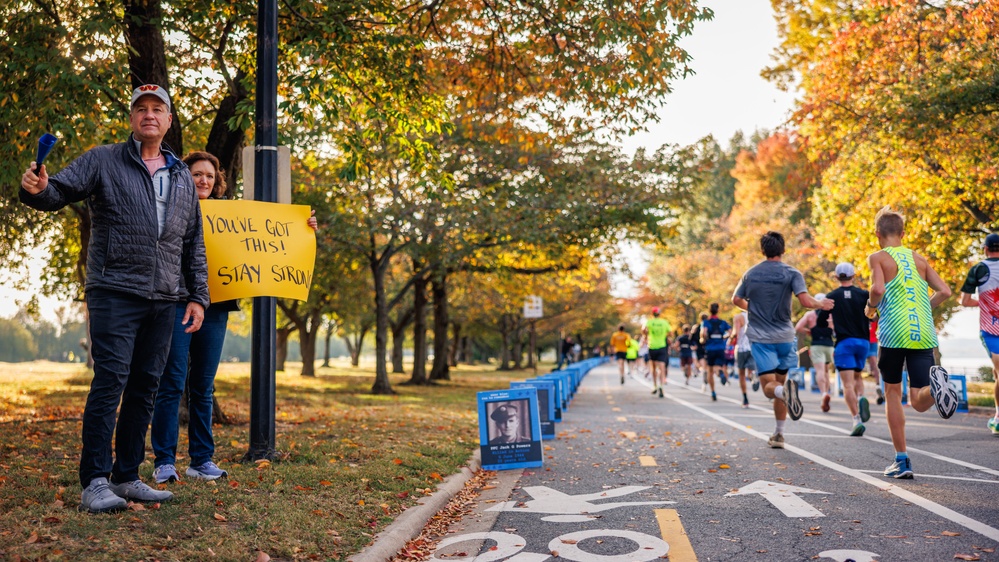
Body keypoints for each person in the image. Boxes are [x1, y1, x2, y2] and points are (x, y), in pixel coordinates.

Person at [20, 84, 209, 513]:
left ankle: (126, 476)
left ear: (168, 120)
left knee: (145, 386)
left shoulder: (180, 173)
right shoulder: (103, 159)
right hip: (114, 289)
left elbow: (192, 242)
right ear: (132, 119)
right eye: (140, 109)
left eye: (157, 109)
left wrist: (197, 294)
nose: (148, 115)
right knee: (111, 381)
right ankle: (95, 481)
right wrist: (37, 188)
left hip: (164, 296)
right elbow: (58, 192)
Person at [150, 151, 318, 484]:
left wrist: (304, 227)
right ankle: (164, 461)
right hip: (178, 304)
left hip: (217, 307)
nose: (203, 181)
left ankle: (201, 460)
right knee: (171, 383)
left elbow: (275, 240)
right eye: (197, 174)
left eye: (209, 176)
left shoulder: (230, 216)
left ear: (218, 182)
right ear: (185, 177)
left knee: (203, 387)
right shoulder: (169, 209)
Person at [866, 206, 957, 479]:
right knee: (919, 399)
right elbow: (945, 291)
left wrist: (870, 308)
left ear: (877, 234)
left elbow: (878, 289)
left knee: (893, 393)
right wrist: (924, 309)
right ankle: (938, 387)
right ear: (903, 234)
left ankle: (902, 460)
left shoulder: (877, 257)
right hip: (923, 333)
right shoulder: (919, 259)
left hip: (894, 333)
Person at [732, 231, 833, 449]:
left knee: (770, 386)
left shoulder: (751, 274)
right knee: (780, 382)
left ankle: (783, 394)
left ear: (762, 250)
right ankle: (778, 434)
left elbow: (736, 299)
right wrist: (820, 304)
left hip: (761, 338)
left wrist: (754, 308)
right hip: (785, 337)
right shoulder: (792, 273)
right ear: (783, 249)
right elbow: (806, 301)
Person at [821, 262, 872, 436]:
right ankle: (861, 397)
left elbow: (821, 319)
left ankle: (856, 418)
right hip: (863, 342)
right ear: (853, 276)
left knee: (847, 384)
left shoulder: (832, 296)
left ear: (836, 277)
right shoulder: (864, 294)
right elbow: (873, 314)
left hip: (844, 343)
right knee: (858, 376)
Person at [958, 232, 999, 434]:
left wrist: (984, 304)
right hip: (991, 330)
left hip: (990, 329)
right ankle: (998, 416)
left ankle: (998, 415)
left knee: (998, 372)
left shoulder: (979, 269)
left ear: (985, 249)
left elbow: (964, 301)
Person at [795, 296, 835, 412]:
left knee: (820, 371)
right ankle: (827, 392)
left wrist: (809, 331)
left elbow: (798, 327)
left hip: (816, 344)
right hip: (829, 345)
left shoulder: (810, 315)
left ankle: (823, 394)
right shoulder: (831, 315)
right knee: (826, 371)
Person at [700, 303, 731, 402]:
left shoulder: (706, 322)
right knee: (718, 366)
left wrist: (704, 339)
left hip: (710, 348)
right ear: (718, 311)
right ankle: (721, 373)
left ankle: (713, 391)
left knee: (709, 370)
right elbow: (731, 332)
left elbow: (704, 333)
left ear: (709, 311)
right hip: (720, 347)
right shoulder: (722, 322)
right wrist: (724, 337)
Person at [645, 307, 672, 398]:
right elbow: (671, 333)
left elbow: (644, 330)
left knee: (653, 367)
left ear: (652, 314)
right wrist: (665, 335)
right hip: (662, 346)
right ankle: (661, 386)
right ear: (659, 314)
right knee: (662, 367)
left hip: (652, 346)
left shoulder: (649, 322)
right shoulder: (664, 322)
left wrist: (647, 335)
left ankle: (655, 386)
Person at [732, 311, 756, 407]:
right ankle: (753, 376)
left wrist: (730, 338)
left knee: (741, 374)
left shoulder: (738, 317)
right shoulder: (756, 315)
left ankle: (745, 398)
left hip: (741, 348)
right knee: (751, 370)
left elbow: (736, 333)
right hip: (753, 347)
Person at [867, 318, 885, 405]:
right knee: (872, 365)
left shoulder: (874, 308)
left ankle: (878, 385)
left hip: (872, 341)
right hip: (864, 339)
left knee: (874, 364)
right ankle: (858, 395)